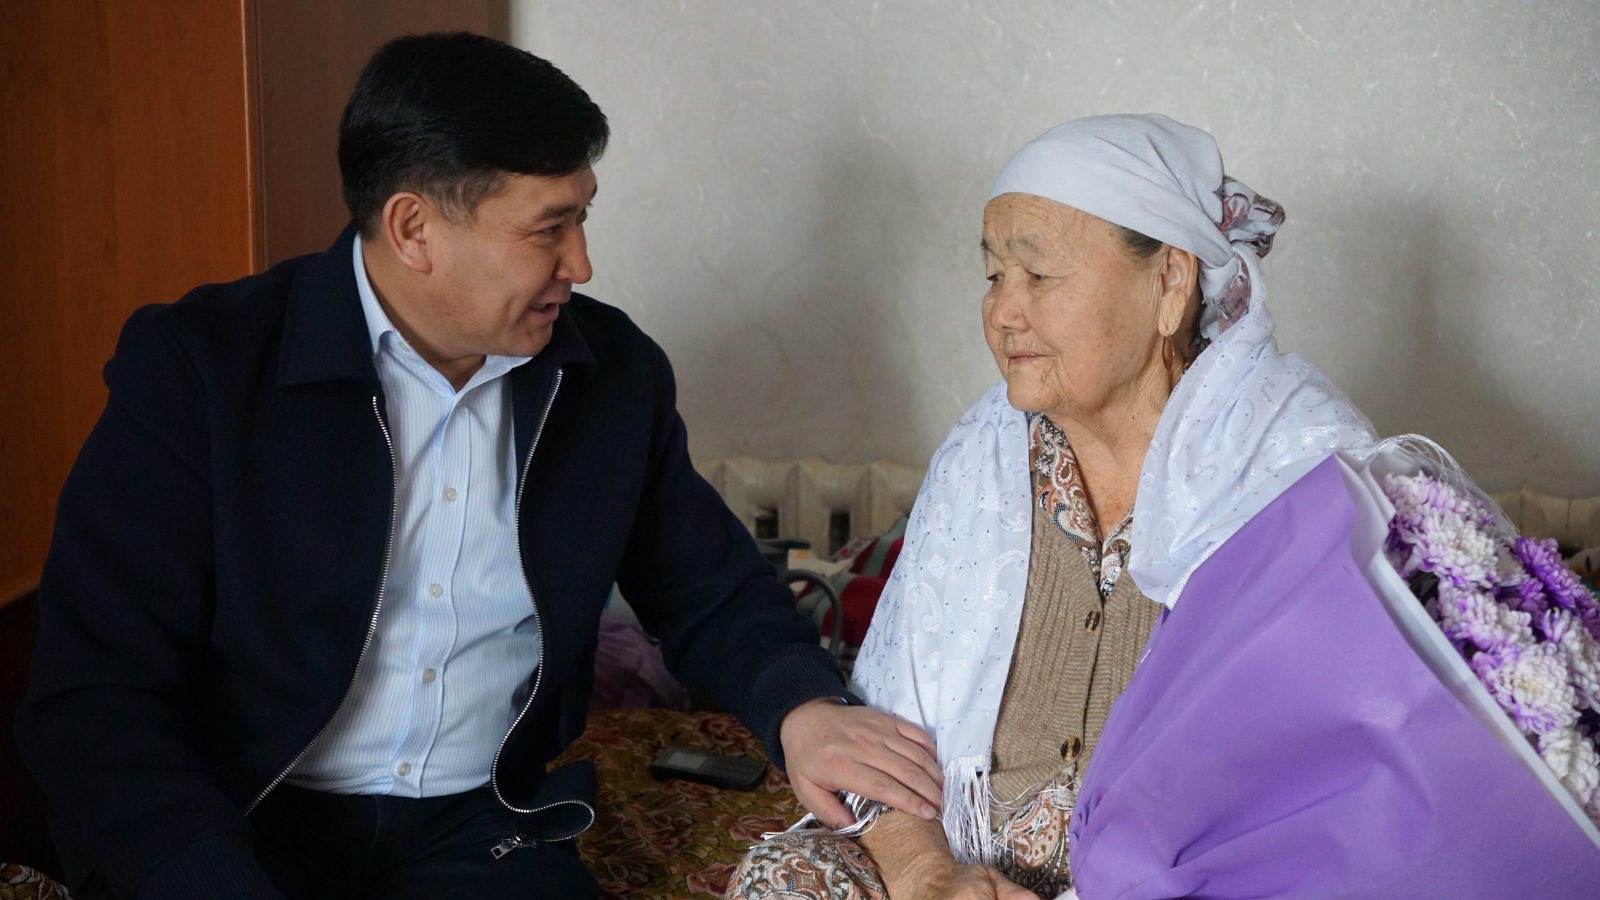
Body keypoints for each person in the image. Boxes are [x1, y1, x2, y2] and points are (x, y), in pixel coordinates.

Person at [16, 32, 943, 900]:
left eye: (583, 218)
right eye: (548, 228)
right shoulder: (203, 371)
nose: (582, 263)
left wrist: (802, 708)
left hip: (483, 829)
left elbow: (708, 587)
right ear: (413, 228)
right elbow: (100, 693)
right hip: (241, 820)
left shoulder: (610, 376)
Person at [727, 114, 1375, 899]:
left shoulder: (1294, 468)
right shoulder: (983, 454)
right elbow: (886, 735)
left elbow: (1314, 798)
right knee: (783, 878)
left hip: (1175, 885)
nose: (1004, 311)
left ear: (1170, 283)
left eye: (1038, 276)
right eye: (993, 276)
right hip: (958, 867)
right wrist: (929, 876)